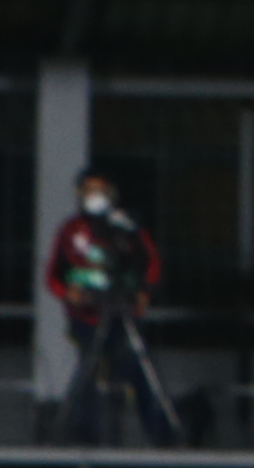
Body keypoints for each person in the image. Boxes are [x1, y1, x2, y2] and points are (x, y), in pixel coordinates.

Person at [43, 167, 177, 448]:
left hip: (123, 313)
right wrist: (70, 292)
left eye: (99, 190)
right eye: (88, 190)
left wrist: (143, 290)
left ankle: (161, 433)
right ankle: (83, 434)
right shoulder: (70, 231)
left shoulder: (127, 227)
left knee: (139, 369)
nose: (94, 196)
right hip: (87, 317)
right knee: (87, 370)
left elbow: (149, 261)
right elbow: (54, 274)